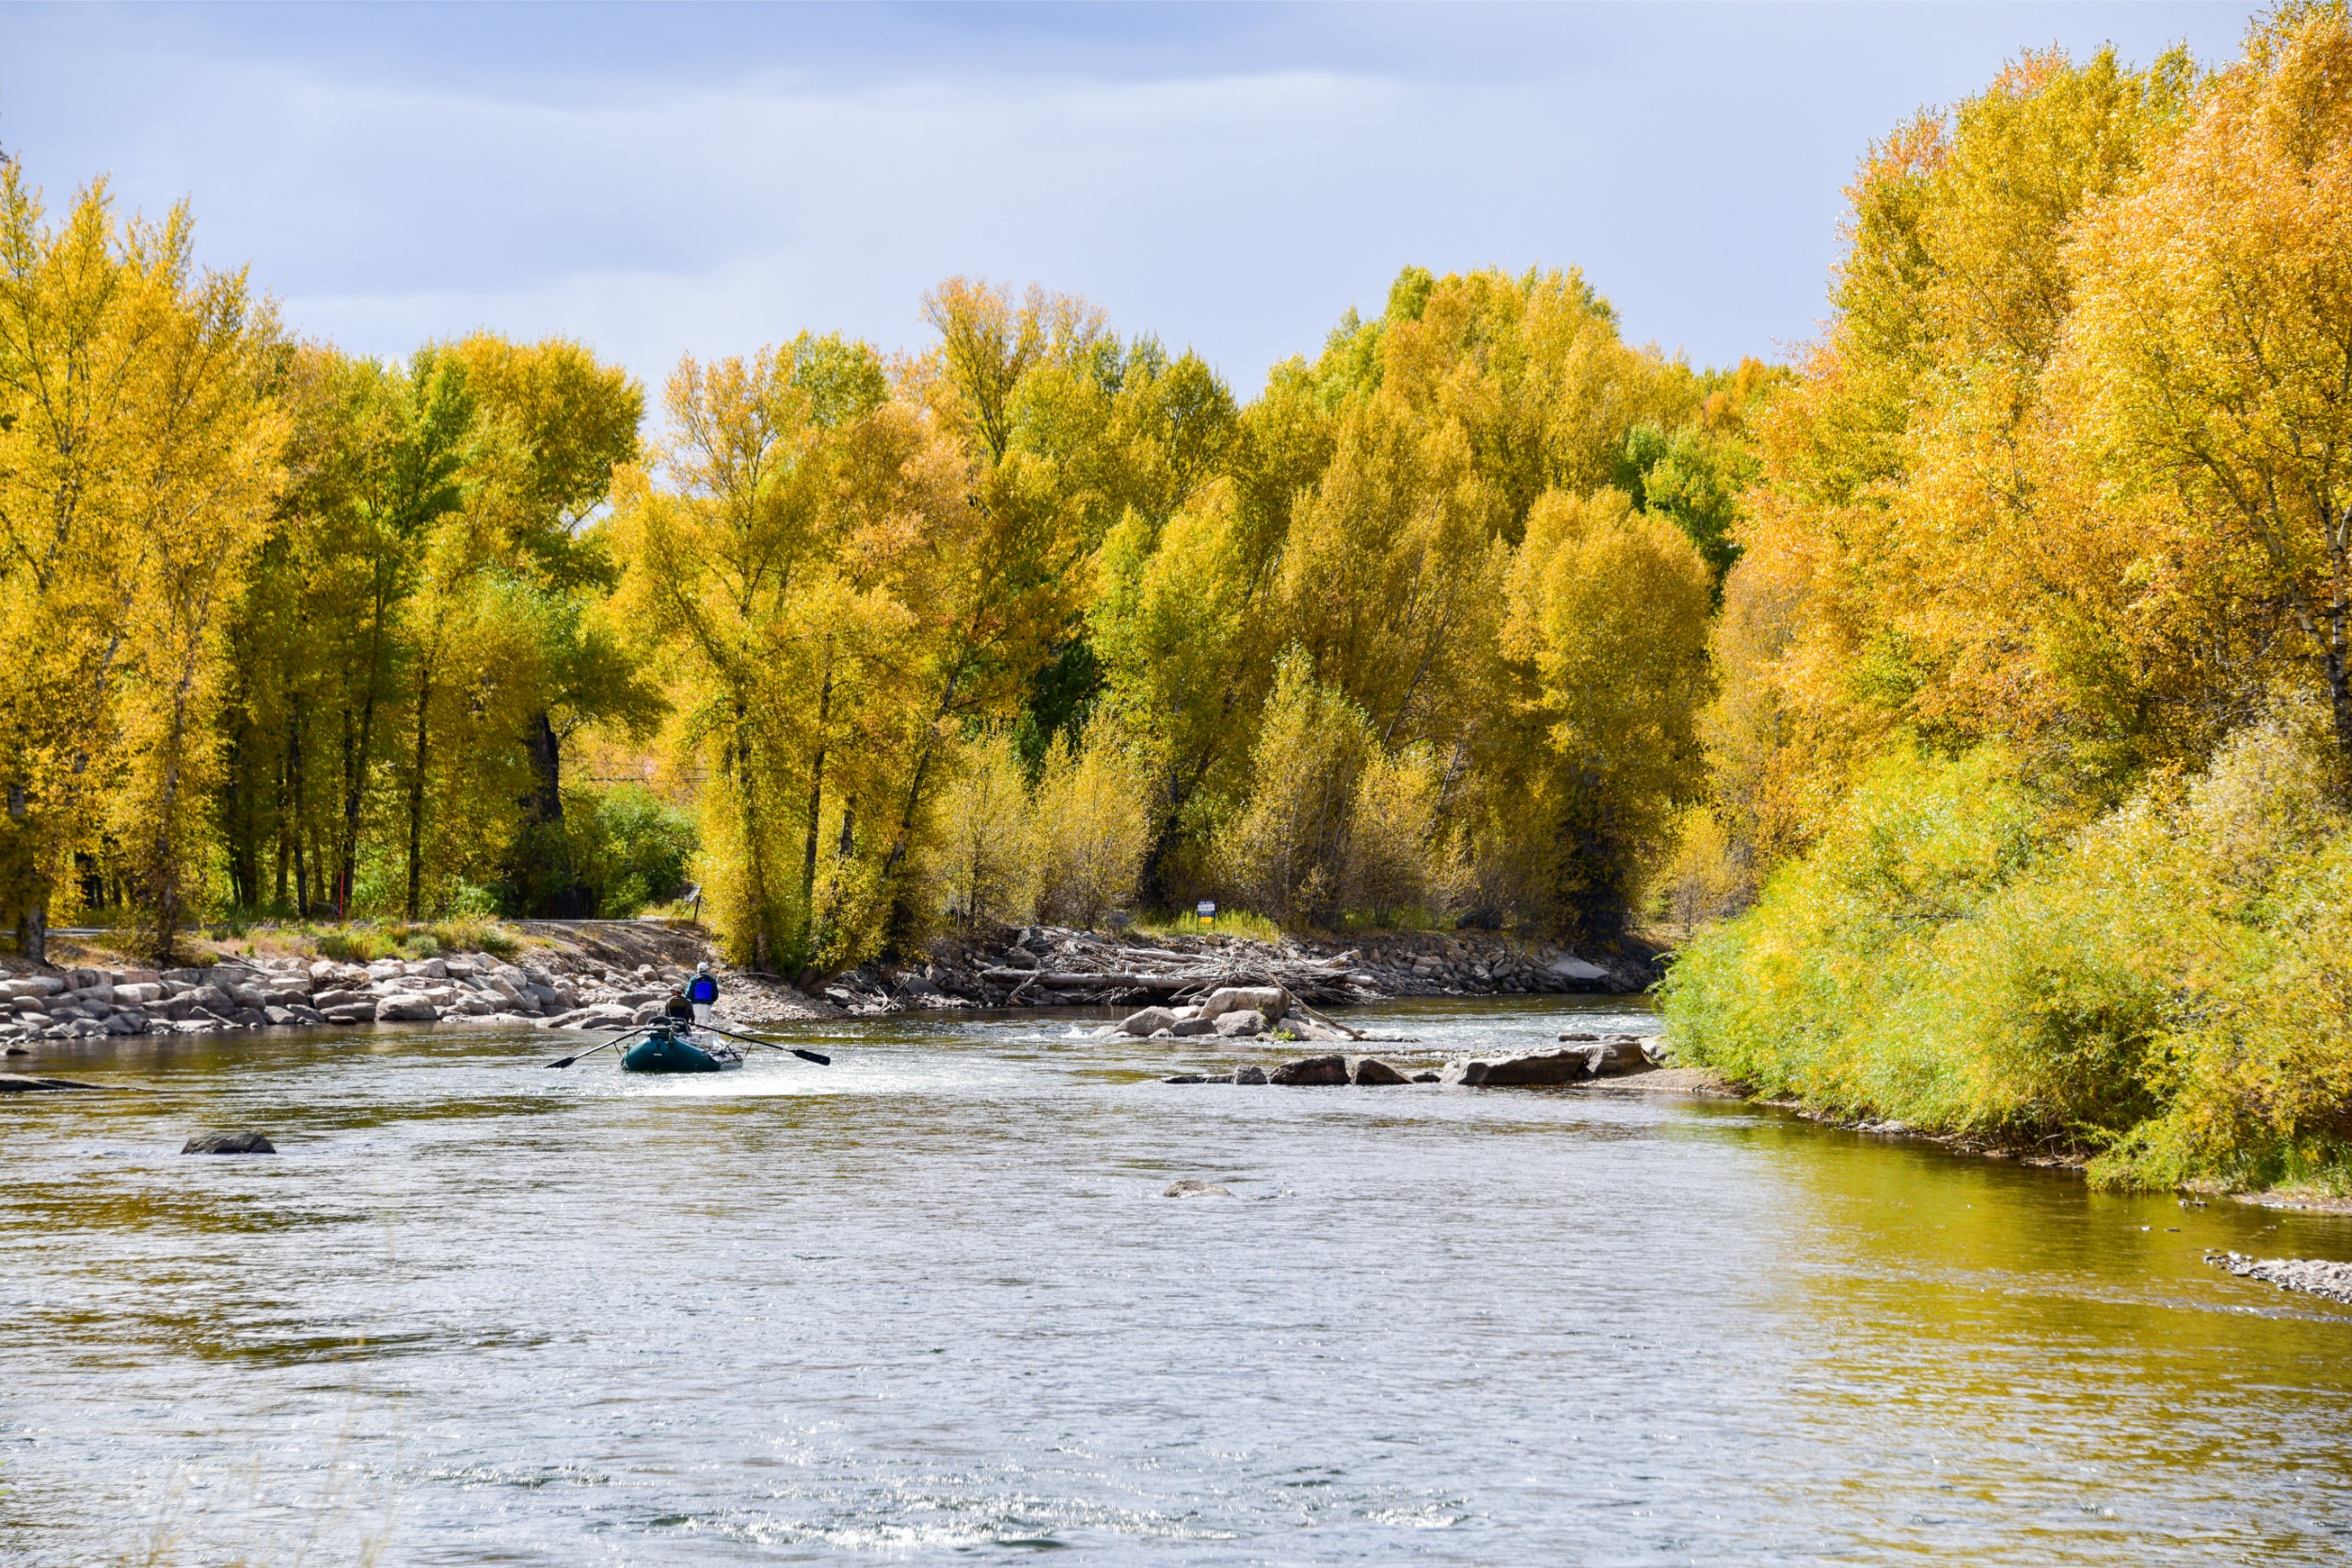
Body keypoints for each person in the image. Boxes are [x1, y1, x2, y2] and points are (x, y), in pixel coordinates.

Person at [687, 961, 720, 1025]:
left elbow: (688, 993)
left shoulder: (693, 979)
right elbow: (715, 995)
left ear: (698, 970)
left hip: (695, 1005)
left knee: (693, 1023)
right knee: (703, 1026)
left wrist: (690, 1001)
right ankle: (703, 1032)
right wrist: (711, 1001)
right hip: (707, 1005)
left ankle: (693, 1033)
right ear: (707, 970)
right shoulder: (712, 980)